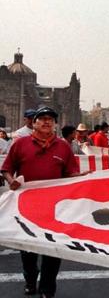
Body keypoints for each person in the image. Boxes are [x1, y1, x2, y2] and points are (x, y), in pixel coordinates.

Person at [1, 106, 86, 298]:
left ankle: (47, 289)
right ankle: (30, 280)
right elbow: (7, 168)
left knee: (53, 250)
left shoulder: (63, 146)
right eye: (43, 118)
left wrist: (80, 177)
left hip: (55, 208)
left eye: (51, 119)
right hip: (26, 207)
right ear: (34, 122)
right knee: (28, 250)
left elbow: (70, 173)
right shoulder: (20, 144)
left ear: (55, 124)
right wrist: (10, 180)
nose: (47, 122)